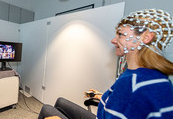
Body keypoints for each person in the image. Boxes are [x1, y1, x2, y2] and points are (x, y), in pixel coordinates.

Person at [38, 9, 173, 119]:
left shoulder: (133, 83)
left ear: (146, 37)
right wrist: (101, 95)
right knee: (61, 102)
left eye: (120, 34)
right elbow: (128, 103)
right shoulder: (148, 75)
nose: (113, 40)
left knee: (47, 111)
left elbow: (130, 97)